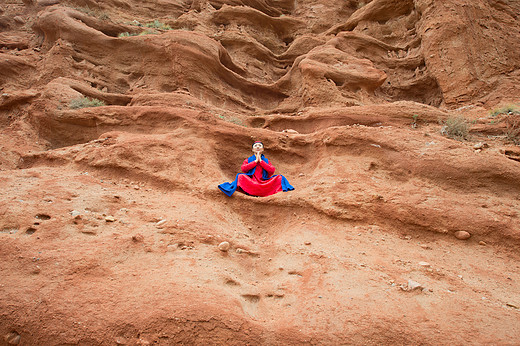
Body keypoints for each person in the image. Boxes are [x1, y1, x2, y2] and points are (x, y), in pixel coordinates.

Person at [218, 141, 294, 197]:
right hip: (251, 181)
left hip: (264, 182)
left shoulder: (266, 161)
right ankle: (250, 191)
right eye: (256, 146)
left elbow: (272, 170)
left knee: (280, 178)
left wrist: (261, 161)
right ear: (253, 149)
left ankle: (260, 192)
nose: (257, 147)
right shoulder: (248, 160)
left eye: (260, 146)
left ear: (263, 149)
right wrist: (255, 161)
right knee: (240, 176)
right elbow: (243, 169)